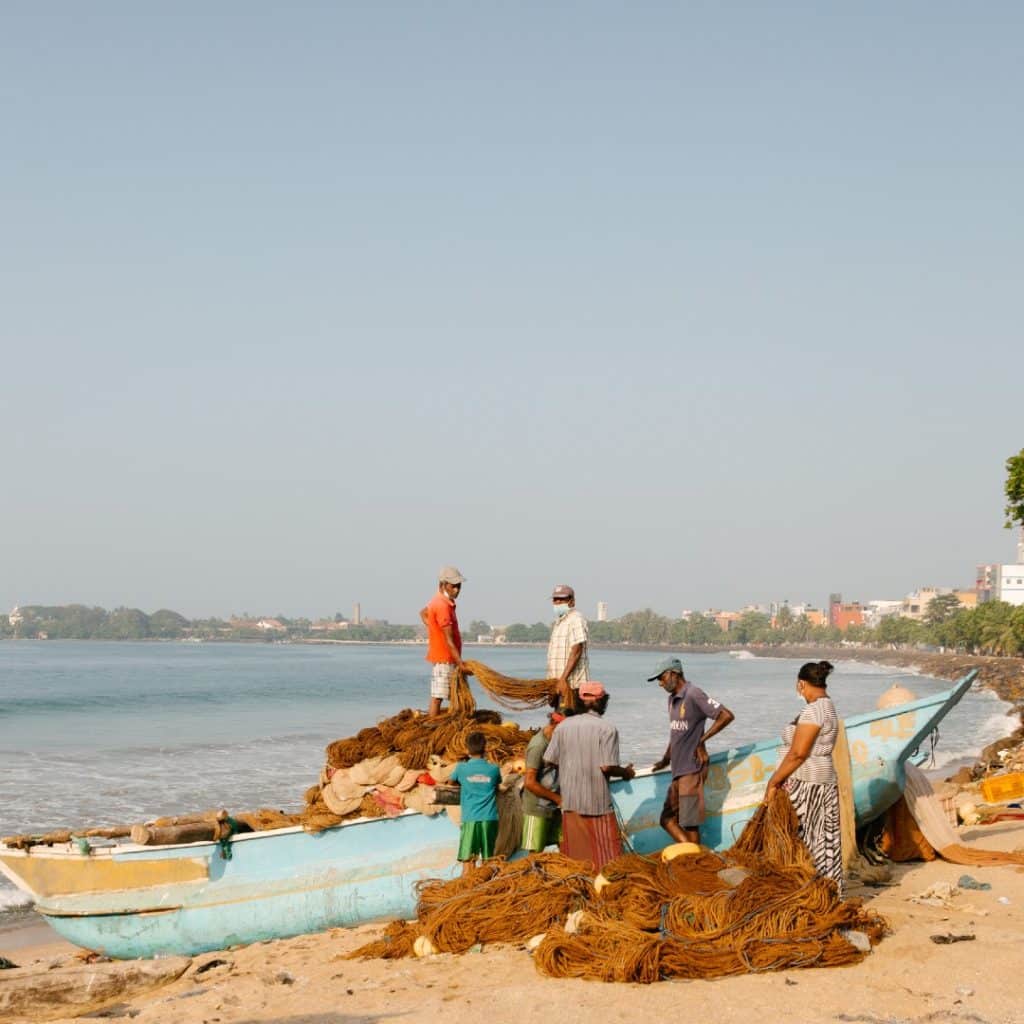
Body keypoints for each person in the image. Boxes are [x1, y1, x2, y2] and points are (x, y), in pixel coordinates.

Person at [764, 660, 843, 895]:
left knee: (804, 841)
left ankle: (808, 893)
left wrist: (774, 781)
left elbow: (798, 754)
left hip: (808, 784)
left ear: (801, 684)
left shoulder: (814, 710)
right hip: (821, 780)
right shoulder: (826, 706)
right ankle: (824, 893)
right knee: (822, 841)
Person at [543, 681, 634, 871]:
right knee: (609, 859)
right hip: (597, 804)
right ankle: (604, 894)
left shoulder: (562, 727)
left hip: (570, 803)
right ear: (603, 702)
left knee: (577, 858)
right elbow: (607, 767)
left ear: (578, 701)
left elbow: (550, 760)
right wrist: (626, 772)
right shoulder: (606, 728)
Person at [649, 657, 734, 845]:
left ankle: (693, 862)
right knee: (667, 819)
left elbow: (726, 716)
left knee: (690, 822)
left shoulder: (694, 693)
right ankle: (690, 854)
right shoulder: (672, 700)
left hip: (692, 769)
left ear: (673, 673)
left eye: (661, 678)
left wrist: (701, 741)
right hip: (678, 770)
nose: (660, 684)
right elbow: (676, 733)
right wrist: (665, 759)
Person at [449, 731, 501, 874]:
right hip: (490, 819)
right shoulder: (494, 769)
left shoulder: (461, 768)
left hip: (470, 818)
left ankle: (468, 891)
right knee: (489, 860)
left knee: (468, 862)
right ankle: (488, 888)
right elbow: (497, 786)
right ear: (485, 748)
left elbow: (451, 782)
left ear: (467, 749)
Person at [419, 566, 465, 717]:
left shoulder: (439, 600)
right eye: (454, 586)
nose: (457, 590)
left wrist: (434, 627)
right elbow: (449, 640)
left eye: (459, 586)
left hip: (446, 658)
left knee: (451, 695)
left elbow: (423, 613)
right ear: (444, 584)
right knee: (438, 697)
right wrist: (461, 663)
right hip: (444, 659)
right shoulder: (442, 605)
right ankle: (433, 728)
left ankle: (444, 723)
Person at [521, 710, 565, 853]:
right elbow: (529, 782)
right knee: (535, 855)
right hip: (537, 809)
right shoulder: (538, 746)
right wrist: (557, 798)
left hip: (554, 807)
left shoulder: (555, 741)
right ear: (555, 726)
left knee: (565, 846)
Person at [546, 585, 590, 707]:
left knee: (570, 723)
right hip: (559, 686)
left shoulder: (576, 619)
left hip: (572, 686)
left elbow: (577, 650)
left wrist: (563, 679)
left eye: (562, 599)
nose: (558, 602)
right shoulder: (559, 623)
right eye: (555, 599)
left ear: (572, 601)